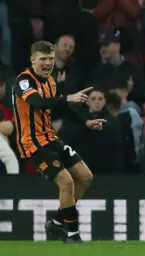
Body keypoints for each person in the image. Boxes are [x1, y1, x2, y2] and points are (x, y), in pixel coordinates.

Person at [12, 41, 106, 244]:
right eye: (43, 59)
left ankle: (56, 221)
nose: (47, 63)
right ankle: (72, 234)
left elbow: (61, 108)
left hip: (50, 138)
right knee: (66, 181)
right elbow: (38, 102)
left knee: (85, 176)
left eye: (50, 59)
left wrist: (86, 122)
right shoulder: (23, 81)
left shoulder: (51, 81)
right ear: (33, 60)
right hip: (32, 143)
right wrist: (68, 97)